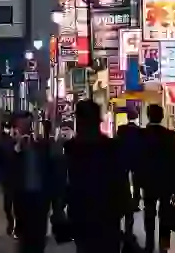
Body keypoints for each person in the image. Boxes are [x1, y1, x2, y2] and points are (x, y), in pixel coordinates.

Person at [63, 99, 130, 253]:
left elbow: (65, 183)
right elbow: (122, 183)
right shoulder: (112, 147)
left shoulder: (71, 149)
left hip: (83, 216)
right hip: (108, 216)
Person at [5, 111, 62, 253]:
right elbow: (6, 168)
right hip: (22, 195)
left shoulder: (42, 144)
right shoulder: (10, 144)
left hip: (40, 196)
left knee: (38, 234)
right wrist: (17, 147)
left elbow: (52, 169)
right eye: (23, 124)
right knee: (24, 235)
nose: (26, 127)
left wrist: (55, 201)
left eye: (29, 124)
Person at [137, 104, 175, 253]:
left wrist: (138, 182)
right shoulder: (170, 136)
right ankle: (164, 246)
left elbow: (138, 161)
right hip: (166, 182)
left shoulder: (141, 135)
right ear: (162, 117)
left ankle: (149, 244)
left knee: (149, 212)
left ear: (148, 116)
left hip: (148, 181)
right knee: (166, 214)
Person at [117, 107, 145, 241]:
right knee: (137, 181)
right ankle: (136, 201)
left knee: (125, 184)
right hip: (138, 161)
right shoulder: (140, 132)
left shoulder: (121, 130)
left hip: (123, 162)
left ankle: (130, 201)